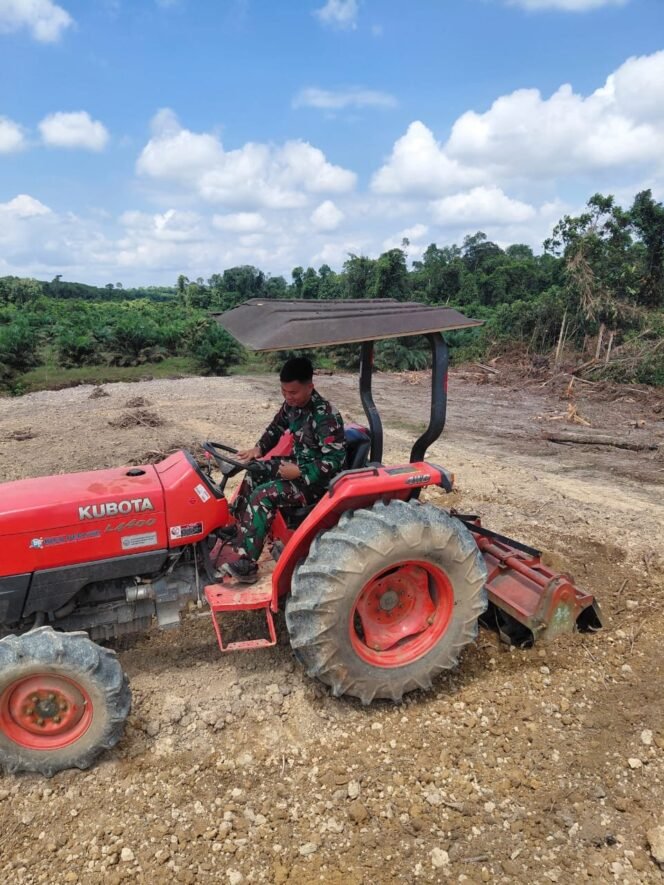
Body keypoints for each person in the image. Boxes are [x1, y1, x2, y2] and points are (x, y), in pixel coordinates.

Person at [222, 356, 345, 583]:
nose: (288, 397)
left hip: (317, 482)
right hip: (297, 466)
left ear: (310, 386)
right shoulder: (292, 405)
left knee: (263, 496)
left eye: (293, 392)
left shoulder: (326, 416)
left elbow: (335, 460)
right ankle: (240, 529)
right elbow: (276, 427)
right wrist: (259, 448)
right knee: (254, 470)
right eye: (284, 391)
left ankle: (247, 564)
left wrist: (301, 472)